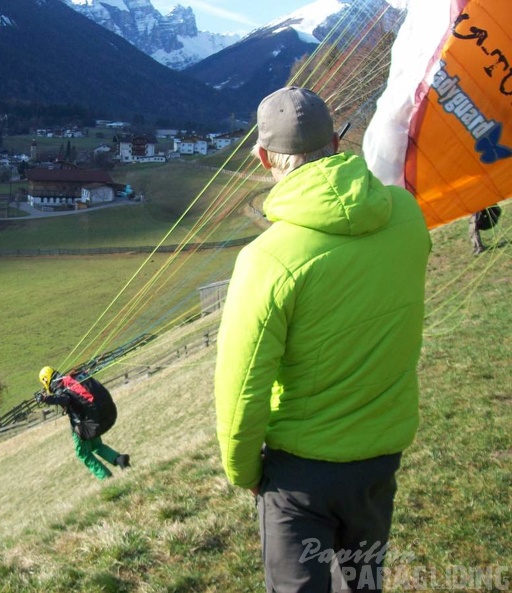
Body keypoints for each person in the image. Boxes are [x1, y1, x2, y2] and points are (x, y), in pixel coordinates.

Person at [214, 87, 431, 592]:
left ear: (265, 157)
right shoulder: (406, 214)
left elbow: (242, 386)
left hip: (299, 477)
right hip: (380, 457)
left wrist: (244, 471)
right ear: (337, 142)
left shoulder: (267, 258)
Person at [37, 366, 130, 480]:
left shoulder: (59, 387)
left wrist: (46, 399)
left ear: (45, 380)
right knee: (96, 445)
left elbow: (64, 399)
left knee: (82, 453)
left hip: (83, 424)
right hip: (92, 418)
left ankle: (106, 477)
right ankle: (119, 459)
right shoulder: (68, 379)